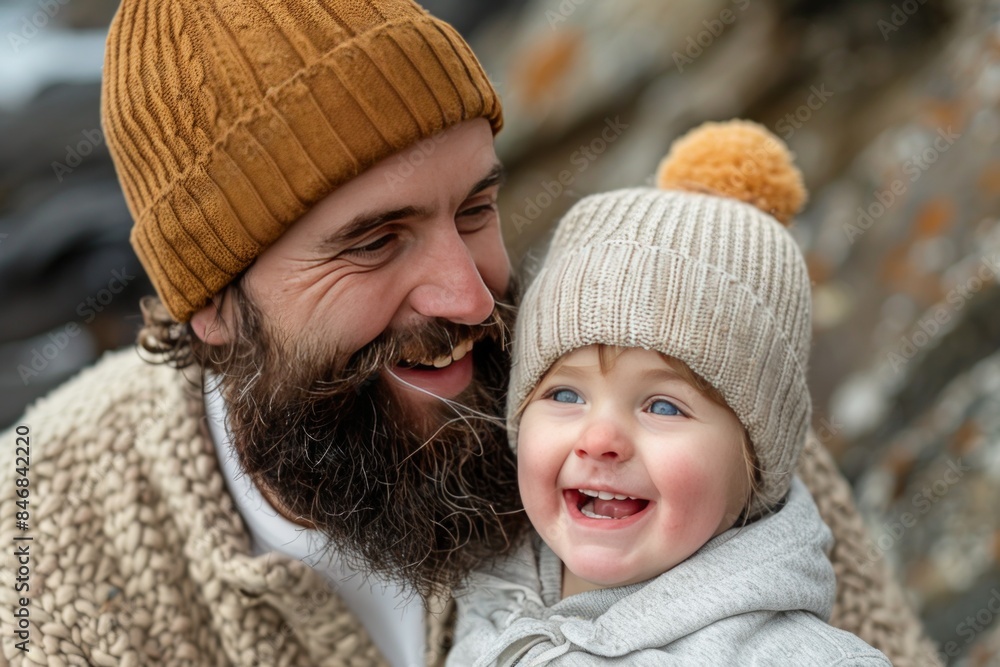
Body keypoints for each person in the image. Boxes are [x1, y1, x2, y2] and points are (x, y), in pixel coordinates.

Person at [0, 2, 937, 666]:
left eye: (477, 207)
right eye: (373, 242)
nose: (469, 296)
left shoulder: (680, 395)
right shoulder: (43, 531)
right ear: (212, 300)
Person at [447, 121, 892, 665]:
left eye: (662, 406)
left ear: (755, 461)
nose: (601, 438)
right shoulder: (467, 583)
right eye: (565, 395)